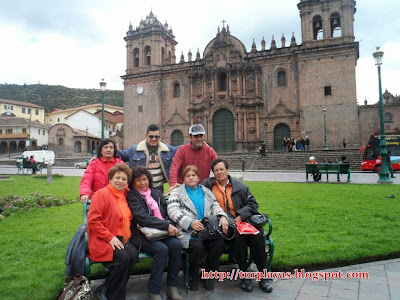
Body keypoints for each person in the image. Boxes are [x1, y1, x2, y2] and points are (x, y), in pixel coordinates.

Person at [202, 159, 273, 293]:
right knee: (238, 238)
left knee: (258, 237)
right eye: (216, 170)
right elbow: (193, 189)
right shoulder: (207, 185)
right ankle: (245, 275)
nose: (219, 172)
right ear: (213, 173)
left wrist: (240, 217)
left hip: (244, 221)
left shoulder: (241, 186)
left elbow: (253, 204)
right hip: (224, 225)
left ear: (227, 170)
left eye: (221, 169)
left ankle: (264, 276)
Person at [167, 165, 228, 291]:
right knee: (197, 247)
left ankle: (209, 276)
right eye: (187, 176)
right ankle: (192, 277)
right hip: (188, 231)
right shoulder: (176, 193)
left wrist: (222, 216)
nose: (191, 178)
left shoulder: (206, 191)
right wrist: (190, 222)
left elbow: (215, 205)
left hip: (208, 229)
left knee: (218, 243)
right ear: (183, 179)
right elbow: (173, 211)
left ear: (198, 178)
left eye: (193, 175)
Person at [127, 166, 182, 300]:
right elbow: (142, 218)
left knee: (176, 245)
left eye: (144, 179)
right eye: (138, 180)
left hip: (161, 231)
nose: (142, 183)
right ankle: (154, 291)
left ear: (149, 179)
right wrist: (166, 225)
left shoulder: (156, 193)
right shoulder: (132, 196)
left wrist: (170, 225)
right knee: (161, 249)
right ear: (133, 182)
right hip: (142, 234)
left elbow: (166, 211)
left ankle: (172, 287)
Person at [87, 163, 138, 300]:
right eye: (117, 178)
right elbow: (93, 221)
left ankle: (105, 288)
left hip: (123, 236)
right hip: (104, 238)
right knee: (123, 258)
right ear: (110, 179)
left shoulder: (126, 195)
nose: (120, 181)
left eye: (124, 179)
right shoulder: (101, 195)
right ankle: (115, 296)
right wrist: (110, 238)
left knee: (133, 255)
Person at [119, 124, 179, 193]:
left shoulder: (167, 150)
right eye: (151, 136)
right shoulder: (134, 150)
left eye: (156, 137)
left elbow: (183, 149)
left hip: (158, 189)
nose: (154, 139)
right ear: (146, 136)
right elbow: (118, 155)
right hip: (140, 189)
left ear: (160, 137)